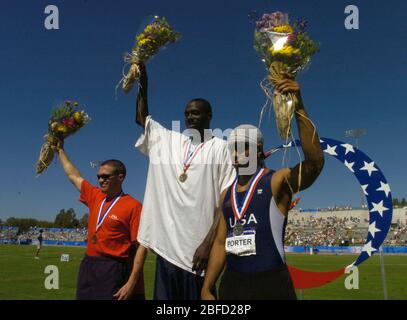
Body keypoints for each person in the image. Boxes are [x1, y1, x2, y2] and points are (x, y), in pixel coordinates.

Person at [201, 78, 324, 300]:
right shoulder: (226, 194)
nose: (236, 155)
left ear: (258, 151)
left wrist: (299, 106)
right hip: (233, 283)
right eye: (233, 150)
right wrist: (207, 285)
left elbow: (314, 165)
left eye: (242, 149)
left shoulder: (276, 181)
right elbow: (220, 243)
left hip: (271, 283)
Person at [134, 63, 236, 299]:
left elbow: (226, 202)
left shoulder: (222, 148)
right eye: (187, 113)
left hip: (199, 254)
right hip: (167, 253)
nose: (189, 116)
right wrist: (143, 81)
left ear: (209, 116)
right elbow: (142, 118)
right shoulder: (170, 141)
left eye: (195, 112)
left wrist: (208, 243)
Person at [56, 141, 146, 300]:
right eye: (98, 177)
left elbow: (141, 246)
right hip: (88, 265)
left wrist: (132, 282)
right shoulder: (96, 196)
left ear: (121, 177)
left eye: (105, 176)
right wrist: (60, 150)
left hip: (113, 268)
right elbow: (74, 176)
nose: (100, 180)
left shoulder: (134, 206)